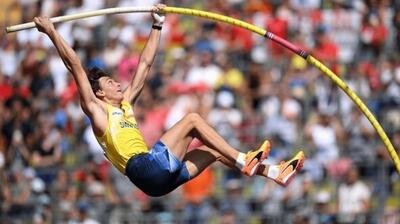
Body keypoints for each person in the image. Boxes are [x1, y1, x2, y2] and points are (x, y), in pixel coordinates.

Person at [33, 4, 305, 197]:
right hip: (143, 168)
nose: (117, 83)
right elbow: (75, 65)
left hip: (156, 184)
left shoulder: (126, 103)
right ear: (100, 93)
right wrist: (51, 32)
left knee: (213, 152)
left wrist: (157, 24)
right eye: (110, 83)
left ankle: (272, 173)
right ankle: (243, 158)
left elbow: (146, 64)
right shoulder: (97, 111)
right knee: (192, 120)